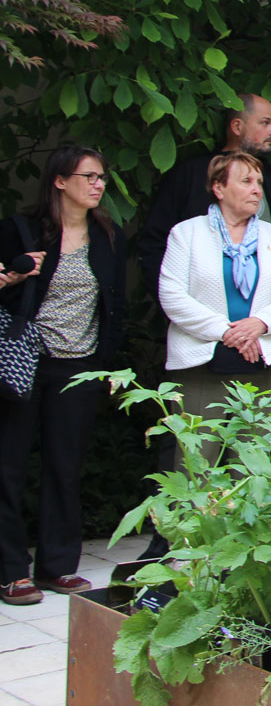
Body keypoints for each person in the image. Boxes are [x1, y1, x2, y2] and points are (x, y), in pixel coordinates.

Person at [0, 146, 127, 606]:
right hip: (26, 358)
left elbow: (114, 305)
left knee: (64, 467)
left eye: (101, 177)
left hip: (81, 363)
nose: (98, 184)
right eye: (89, 176)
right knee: (9, 466)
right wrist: (10, 278)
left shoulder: (107, 235)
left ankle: (56, 567)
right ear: (60, 181)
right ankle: (12, 571)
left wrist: (109, 364)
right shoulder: (20, 230)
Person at [158, 151, 271, 470]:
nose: (256, 189)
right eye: (246, 181)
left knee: (254, 469)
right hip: (201, 363)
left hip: (261, 364)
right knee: (195, 465)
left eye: (259, 182)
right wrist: (228, 332)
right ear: (218, 188)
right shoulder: (187, 233)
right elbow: (172, 296)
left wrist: (259, 324)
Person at [137, 93, 271, 340]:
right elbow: (154, 246)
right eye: (265, 122)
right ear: (237, 126)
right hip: (199, 333)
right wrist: (184, 317)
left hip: (269, 334)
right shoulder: (191, 175)